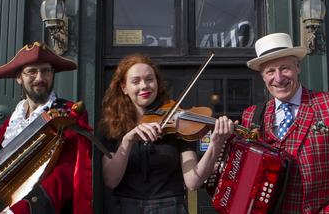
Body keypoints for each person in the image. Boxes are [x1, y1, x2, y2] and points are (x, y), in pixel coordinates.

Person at [241, 33, 329, 214]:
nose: (278, 78)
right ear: (263, 76)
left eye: (285, 68)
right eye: (270, 71)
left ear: (298, 67)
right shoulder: (252, 116)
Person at [98, 53, 234, 213]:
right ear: (124, 88)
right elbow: (111, 180)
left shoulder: (178, 122)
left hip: (170, 208)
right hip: (126, 208)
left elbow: (193, 181)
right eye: (136, 81)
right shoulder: (113, 126)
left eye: (150, 79)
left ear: (157, 83)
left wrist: (215, 145)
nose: (144, 86)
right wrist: (127, 140)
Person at [0, 42, 93, 214]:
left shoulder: (70, 114)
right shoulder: (5, 131)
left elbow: (66, 172)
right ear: (18, 77)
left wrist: (23, 209)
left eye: (45, 71)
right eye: (32, 72)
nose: (40, 78)